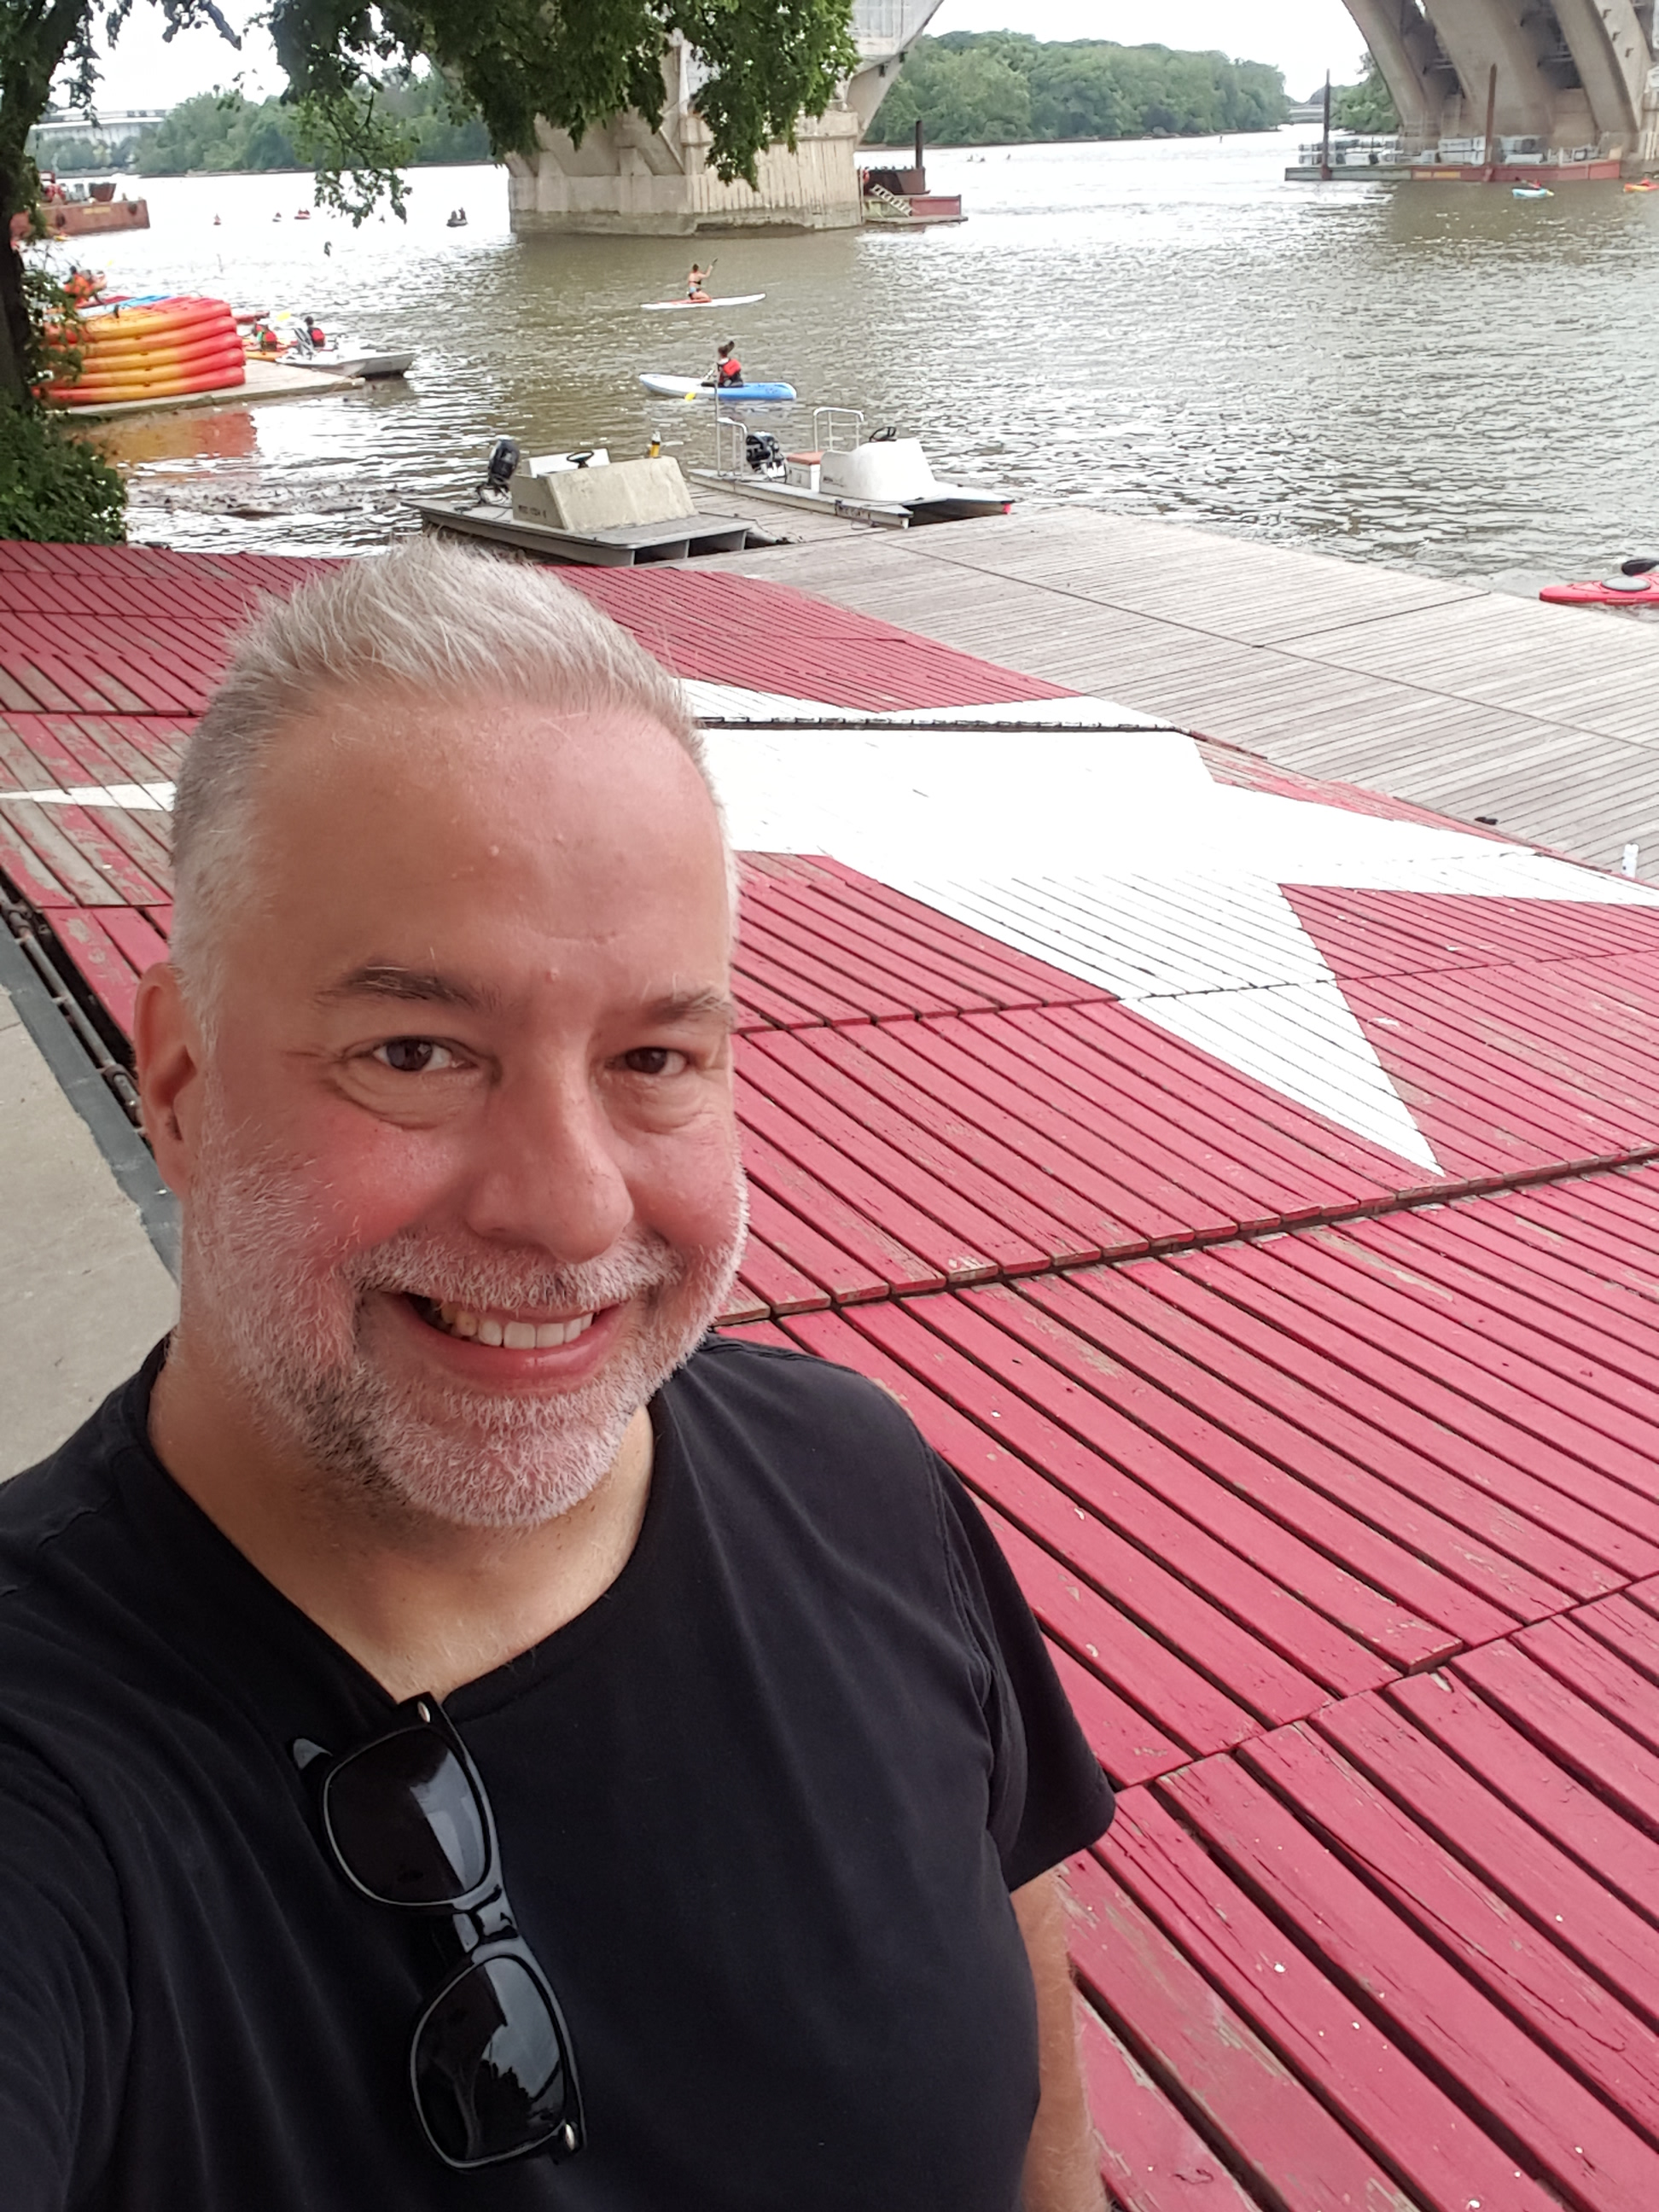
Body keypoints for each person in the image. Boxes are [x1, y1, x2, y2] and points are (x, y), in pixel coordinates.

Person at [0, 541, 1114, 2212]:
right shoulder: (52, 1779)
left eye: (655, 1057)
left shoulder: (861, 1487)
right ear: (176, 1080)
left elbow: (1036, 2092)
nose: (574, 1204)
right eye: (417, 1054)